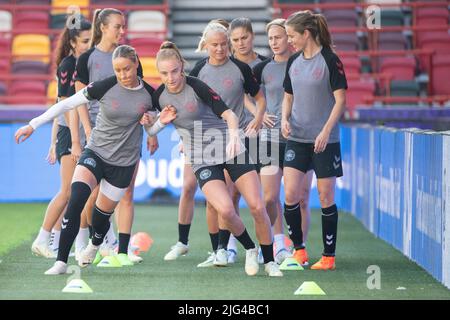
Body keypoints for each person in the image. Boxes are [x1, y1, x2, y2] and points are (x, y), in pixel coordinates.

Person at [15, 45, 174, 275]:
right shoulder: (105, 86)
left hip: (123, 163)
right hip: (96, 152)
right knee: (77, 198)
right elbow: (67, 103)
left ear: (136, 64)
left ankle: (94, 245)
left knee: (101, 218)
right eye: (118, 70)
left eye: (127, 69)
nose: (122, 75)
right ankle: (60, 262)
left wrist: (159, 122)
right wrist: (33, 124)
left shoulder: (150, 94)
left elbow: (151, 131)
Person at [153, 41, 281, 277]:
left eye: (174, 71)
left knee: (257, 205)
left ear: (182, 67)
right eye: (164, 73)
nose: (170, 77)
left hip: (230, 149)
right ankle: (250, 249)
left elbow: (230, 114)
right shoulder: (158, 96)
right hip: (202, 159)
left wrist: (234, 137)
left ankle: (271, 261)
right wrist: (157, 126)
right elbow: (151, 127)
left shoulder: (198, 85)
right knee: (226, 210)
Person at [73, 8, 157, 265]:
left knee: (125, 194)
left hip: (128, 137)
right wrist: (86, 131)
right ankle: (87, 243)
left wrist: (151, 131)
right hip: (98, 135)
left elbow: (140, 99)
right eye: (118, 26)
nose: (122, 31)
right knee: (92, 195)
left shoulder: (130, 56)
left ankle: (120, 251)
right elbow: (79, 100)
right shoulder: (86, 58)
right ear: (103, 28)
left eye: (123, 26)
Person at [282, 10, 347, 269]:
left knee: (324, 196)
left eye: (291, 36)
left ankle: (329, 257)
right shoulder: (293, 61)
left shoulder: (330, 60)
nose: (289, 41)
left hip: (325, 140)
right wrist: (285, 118)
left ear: (306, 33)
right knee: (290, 194)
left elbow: (340, 100)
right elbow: (288, 95)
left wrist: (325, 131)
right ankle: (299, 251)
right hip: (296, 138)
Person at [253, 18, 314, 265]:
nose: (275, 42)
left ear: (290, 38)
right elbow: (248, 96)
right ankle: (274, 242)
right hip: (268, 140)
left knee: (301, 198)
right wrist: (260, 113)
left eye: (279, 37)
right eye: (271, 38)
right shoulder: (261, 69)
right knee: (268, 198)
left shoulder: (305, 65)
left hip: (299, 139)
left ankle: (299, 248)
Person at [31, 17, 92, 259]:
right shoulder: (69, 64)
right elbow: (65, 106)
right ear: (74, 41)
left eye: (92, 40)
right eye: (85, 41)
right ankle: (42, 238)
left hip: (70, 134)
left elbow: (61, 104)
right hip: (71, 133)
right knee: (67, 191)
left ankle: (55, 243)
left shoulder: (83, 63)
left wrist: (53, 142)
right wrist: (68, 141)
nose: (89, 45)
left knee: (74, 193)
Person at [226, 17, 269, 261]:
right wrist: (257, 114)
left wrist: (264, 118)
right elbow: (238, 96)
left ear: (252, 36)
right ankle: (231, 245)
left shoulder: (265, 64)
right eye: (236, 40)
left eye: (244, 38)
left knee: (263, 197)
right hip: (235, 136)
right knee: (231, 194)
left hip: (263, 137)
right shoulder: (228, 66)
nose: (241, 43)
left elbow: (267, 96)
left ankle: (270, 246)